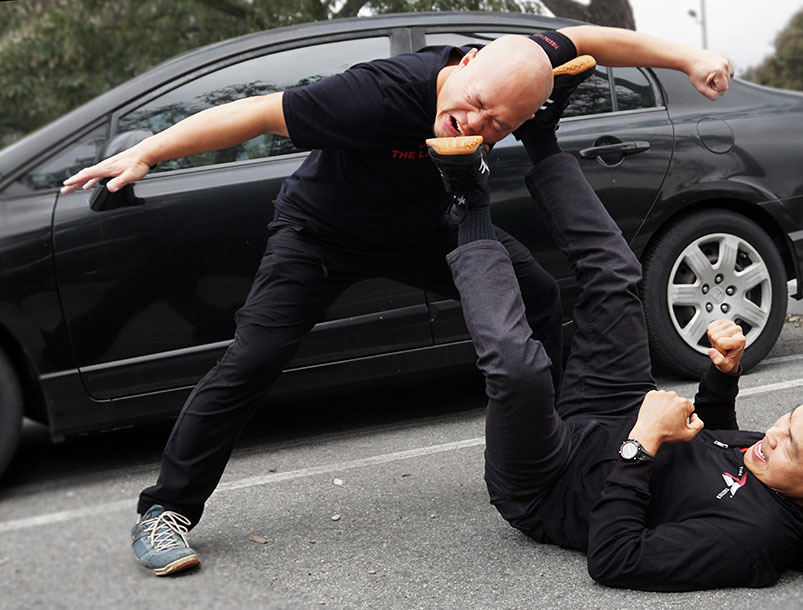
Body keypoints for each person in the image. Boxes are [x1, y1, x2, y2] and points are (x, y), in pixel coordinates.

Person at [61, 25, 735, 576]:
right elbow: (257, 112)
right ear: (467, 63)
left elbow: (591, 37)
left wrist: (688, 57)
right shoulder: (378, 95)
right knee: (253, 358)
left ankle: (557, 441)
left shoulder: (523, 64)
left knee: (535, 292)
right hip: (320, 233)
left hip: (426, 229)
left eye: (498, 125)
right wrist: (149, 152)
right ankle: (167, 510)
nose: (474, 123)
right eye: (474, 103)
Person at [425, 99, 803, 590]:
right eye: (788, 420)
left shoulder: (752, 540)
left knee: (520, 371)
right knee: (616, 275)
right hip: (619, 408)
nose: (772, 435)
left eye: (790, 445)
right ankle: (540, 133)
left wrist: (643, 443)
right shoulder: (802, 471)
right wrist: (723, 375)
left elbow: (616, 559)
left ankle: (469, 198)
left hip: (552, 479)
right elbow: (716, 446)